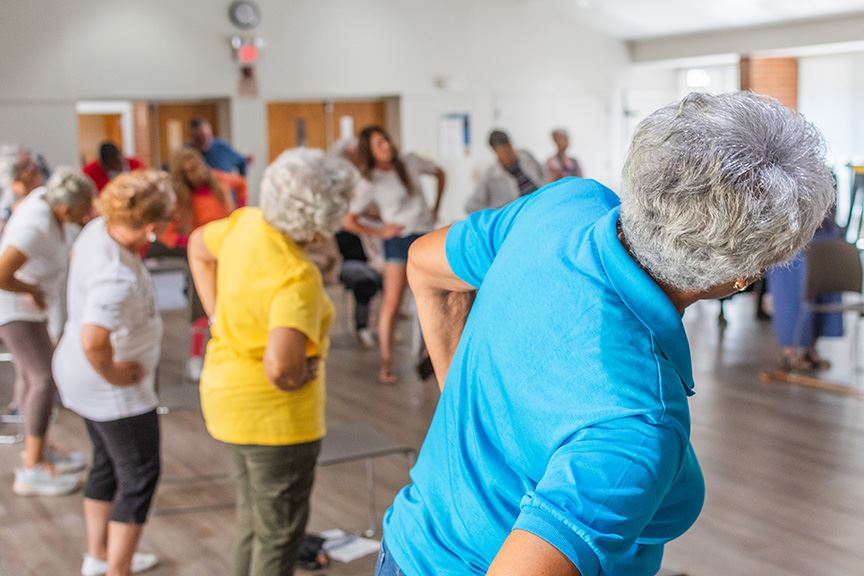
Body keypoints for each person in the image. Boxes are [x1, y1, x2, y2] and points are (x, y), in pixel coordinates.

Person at [378, 92, 835, 576]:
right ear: (745, 273)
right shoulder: (639, 421)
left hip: (409, 543)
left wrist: (475, 416)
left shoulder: (565, 204)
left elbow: (424, 264)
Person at [188, 148, 356, 576]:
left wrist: (217, 314)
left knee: (253, 518)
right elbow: (282, 368)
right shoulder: (296, 277)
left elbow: (197, 248)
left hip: (226, 398)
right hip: (275, 422)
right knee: (280, 534)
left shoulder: (246, 223)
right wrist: (302, 371)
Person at [53, 170, 175, 576]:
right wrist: (114, 373)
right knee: (139, 477)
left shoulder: (96, 230)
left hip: (79, 376)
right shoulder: (115, 276)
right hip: (110, 390)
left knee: (106, 463)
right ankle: (116, 570)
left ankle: (98, 556)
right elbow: (94, 340)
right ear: (152, 226)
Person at [0, 168, 94, 496]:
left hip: (27, 309)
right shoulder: (36, 224)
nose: (89, 212)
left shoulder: (46, 202)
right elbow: (1, 272)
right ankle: (32, 469)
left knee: (30, 377)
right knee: (43, 377)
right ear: (68, 209)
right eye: (85, 208)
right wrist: (32, 290)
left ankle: (37, 448)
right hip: (14, 309)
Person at [342, 126, 446, 384]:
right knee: (392, 303)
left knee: (432, 298)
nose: (386, 146)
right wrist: (380, 232)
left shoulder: (409, 162)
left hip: (424, 236)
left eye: (386, 140)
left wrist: (436, 207)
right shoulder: (370, 181)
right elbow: (349, 220)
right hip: (398, 242)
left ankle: (431, 355)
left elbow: (440, 173)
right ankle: (387, 362)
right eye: (379, 144)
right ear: (371, 151)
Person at [768, 209, 843, 370]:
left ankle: (810, 350)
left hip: (822, 230)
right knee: (792, 293)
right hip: (790, 233)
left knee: (822, 293)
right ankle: (790, 352)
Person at [160, 148, 234, 250]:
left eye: (200, 165)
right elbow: (166, 234)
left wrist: (241, 205)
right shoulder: (180, 201)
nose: (199, 172)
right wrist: (191, 242)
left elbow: (241, 183)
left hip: (227, 243)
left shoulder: (218, 181)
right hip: (203, 249)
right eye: (192, 170)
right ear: (183, 177)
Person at [465, 130, 544, 213]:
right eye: (504, 152)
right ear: (495, 152)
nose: (509, 154)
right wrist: (494, 214)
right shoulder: (490, 175)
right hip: (520, 214)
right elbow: (470, 206)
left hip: (539, 202)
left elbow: (544, 175)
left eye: (510, 148)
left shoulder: (525, 155)